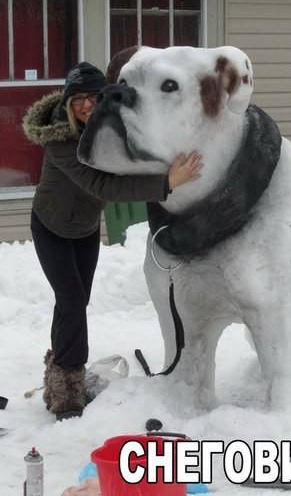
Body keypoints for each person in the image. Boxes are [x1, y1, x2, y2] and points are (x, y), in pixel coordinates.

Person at [22, 61, 203, 421]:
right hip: (52, 227)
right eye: (79, 100)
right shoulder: (61, 142)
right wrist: (167, 183)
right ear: (69, 104)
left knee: (74, 301)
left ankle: (59, 368)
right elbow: (102, 185)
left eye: (94, 97)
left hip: (85, 228)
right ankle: (67, 390)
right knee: (71, 300)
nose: (87, 105)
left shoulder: (106, 132)